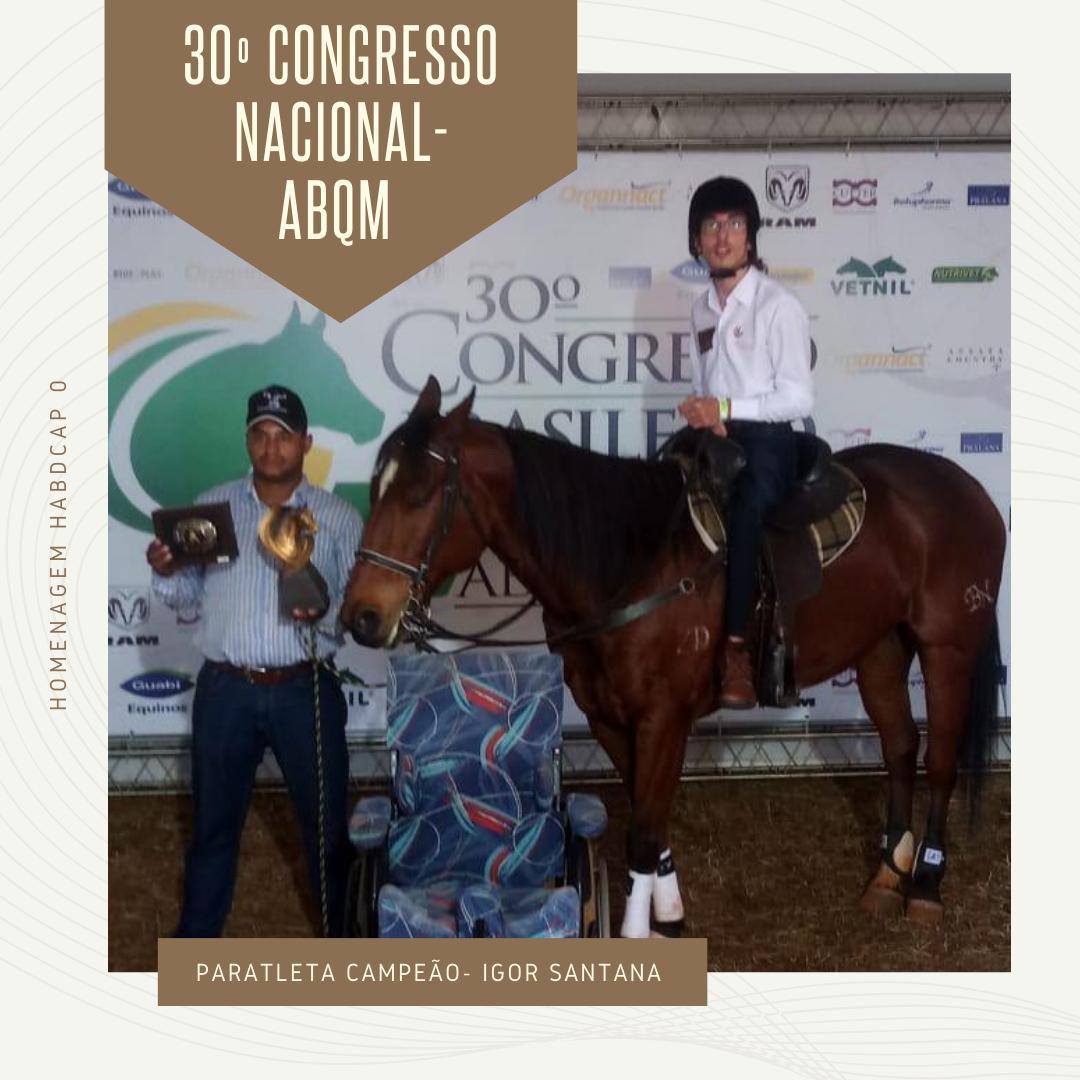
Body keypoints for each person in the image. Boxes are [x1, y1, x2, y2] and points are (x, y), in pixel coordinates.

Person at [147, 385, 363, 936]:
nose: (271, 447)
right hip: (227, 690)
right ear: (247, 441)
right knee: (212, 830)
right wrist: (167, 571)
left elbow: (353, 611)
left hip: (305, 688)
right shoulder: (211, 509)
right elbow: (186, 599)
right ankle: (195, 948)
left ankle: (345, 945)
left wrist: (321, 607)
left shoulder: (337, 518)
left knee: (326, 832)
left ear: (306, 443)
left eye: (283, 436)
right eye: (260, 434)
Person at [678, 176, 814, 709]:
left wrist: (727, 411)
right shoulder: (700, 311)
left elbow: (797, 398)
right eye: (711, 226)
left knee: (746, 508)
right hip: (717, 436)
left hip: (767, 441)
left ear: (750, 237)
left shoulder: (779, 306)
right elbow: (707, 385)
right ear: (696, 241)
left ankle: (736, 649)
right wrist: (703, 412)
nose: (722, 236)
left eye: (734, 224)